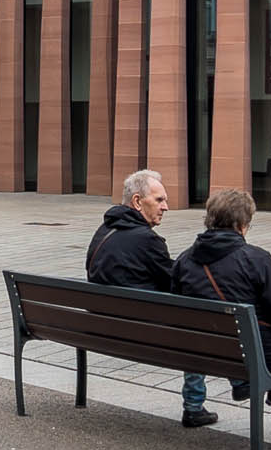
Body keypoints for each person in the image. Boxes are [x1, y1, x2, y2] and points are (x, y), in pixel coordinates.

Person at [173, 187, 271, 450]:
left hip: (204, 354)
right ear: (241, 225)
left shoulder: (184, 260)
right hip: (257, 355)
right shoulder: (256, 258)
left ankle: (251, 387)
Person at [85, 169, 216, 429]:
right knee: (200, 324)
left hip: (102, 327)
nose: (166, 207)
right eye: (159, 200)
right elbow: (176, 284)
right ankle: (194, 405)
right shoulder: (146, 239)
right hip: (144, 333)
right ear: (136, 202)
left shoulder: (104, 231)